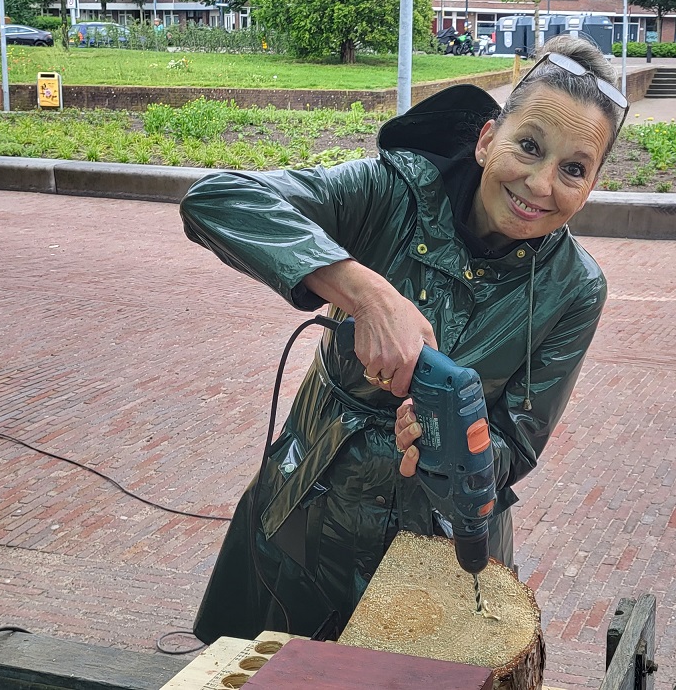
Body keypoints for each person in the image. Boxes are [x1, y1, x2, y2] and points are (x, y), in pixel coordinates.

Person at [181, 34, 622, 643]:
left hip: (441, 551)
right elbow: (217, 199)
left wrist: (455, 454)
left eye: (573, 168)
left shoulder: (574, 289)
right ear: (488, 138)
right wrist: (365, 292)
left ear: (592, 184)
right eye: (529, 146)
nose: (542, 185)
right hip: (309, 506)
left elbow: (517, 444)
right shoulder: (391, 192)